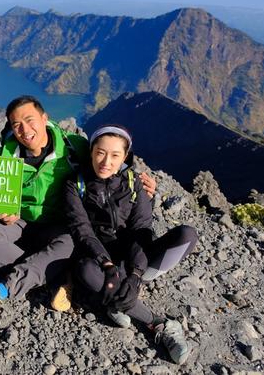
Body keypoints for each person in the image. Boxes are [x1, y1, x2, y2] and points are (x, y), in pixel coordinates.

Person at [0, 95, 156, 320]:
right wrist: (2, 210)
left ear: (44, 118)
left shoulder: (74, 148)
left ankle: (3, 287)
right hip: (20, 221)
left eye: (30, 120)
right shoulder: (2, 158)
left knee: (69, 244)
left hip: (60, 226)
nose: (24, 129)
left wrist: (140, 182)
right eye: (16, 124)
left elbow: (106, 164)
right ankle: (57, 277)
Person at [64, 124, 198, 365]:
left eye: (115, 155)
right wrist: (106, 264)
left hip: (134, 256)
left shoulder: (134, 184)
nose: (106, 161)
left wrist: (136, 274)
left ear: (125, 156)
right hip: (100, 259)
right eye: (100, 152)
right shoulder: (76, 184)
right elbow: (82, 230)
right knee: (86, 271)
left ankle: (119, 297)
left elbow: (142, 229)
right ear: (91, 151)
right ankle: (157, 322)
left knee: (187, 235)